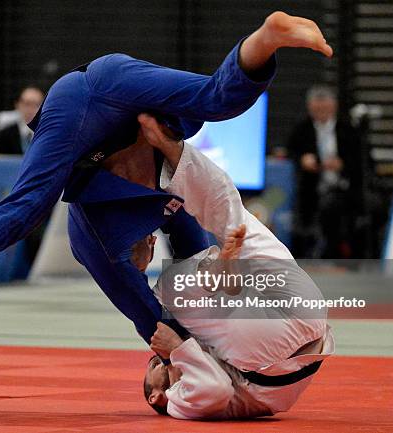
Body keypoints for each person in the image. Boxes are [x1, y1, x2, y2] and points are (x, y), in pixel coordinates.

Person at [0, 12, 333, 344]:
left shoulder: (98, 241)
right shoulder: (148, 219)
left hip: (86, 104)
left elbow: (155, 321)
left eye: (143, 256)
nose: (149, 252)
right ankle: (267, 37)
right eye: (147, 256)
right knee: (213, 102)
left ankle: (268, 35)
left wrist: (190, 336)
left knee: (32, 203)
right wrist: (205, 335)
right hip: (113, 93)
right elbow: (182, 297)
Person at [133, 113, 333, 419]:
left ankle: (173, 149)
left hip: (303, 320)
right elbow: (217, 389)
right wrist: (176, 349)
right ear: (156, 397)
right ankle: (222, 275)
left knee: (233, 219)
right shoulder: (176, 401)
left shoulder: (185, 377)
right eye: (156, 367)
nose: (157, 359)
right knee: (171, 286)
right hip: (266, 357)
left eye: (154, 361)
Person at [287, 85, 362, 258]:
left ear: (334, 107)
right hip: (311, 186)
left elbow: (361, 161)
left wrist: (342, 164)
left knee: (336, 208)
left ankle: (336, 253)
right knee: (305, 209)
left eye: (325, 107)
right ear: (310, 108)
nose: (321, 111)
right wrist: (303, 160)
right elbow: (291, 151)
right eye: (317, 108)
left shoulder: (348, 129)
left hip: (342, 187)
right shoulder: (301, 129)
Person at [0, 86, 45, 154]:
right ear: (18, 105)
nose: (30, 109)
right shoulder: (6, 134)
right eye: (27, 104)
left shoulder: (47, 133)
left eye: (36, 104)